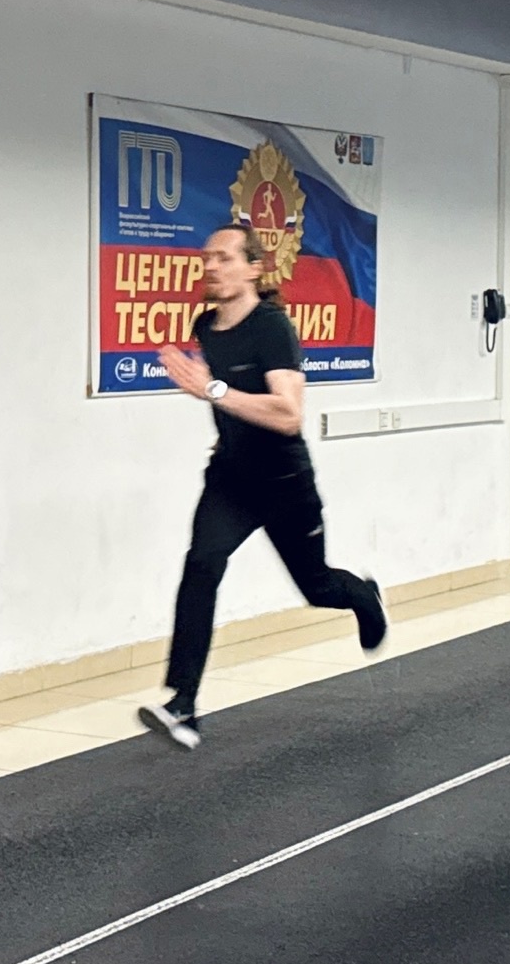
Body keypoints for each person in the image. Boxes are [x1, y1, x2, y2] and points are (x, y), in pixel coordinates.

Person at [139, 220, 387, 750]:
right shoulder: (207, 326)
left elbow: (288, 415)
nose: (212, 267)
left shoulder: (273, 328)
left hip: (283, 481)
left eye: (225, 258)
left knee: (317, 587)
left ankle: (362, 595)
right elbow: (233, 404)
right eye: (207, 258)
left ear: (254, 268)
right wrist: (221, 416)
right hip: (231, 478)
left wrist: (211, 389)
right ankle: (183, 703)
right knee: (202, 564)